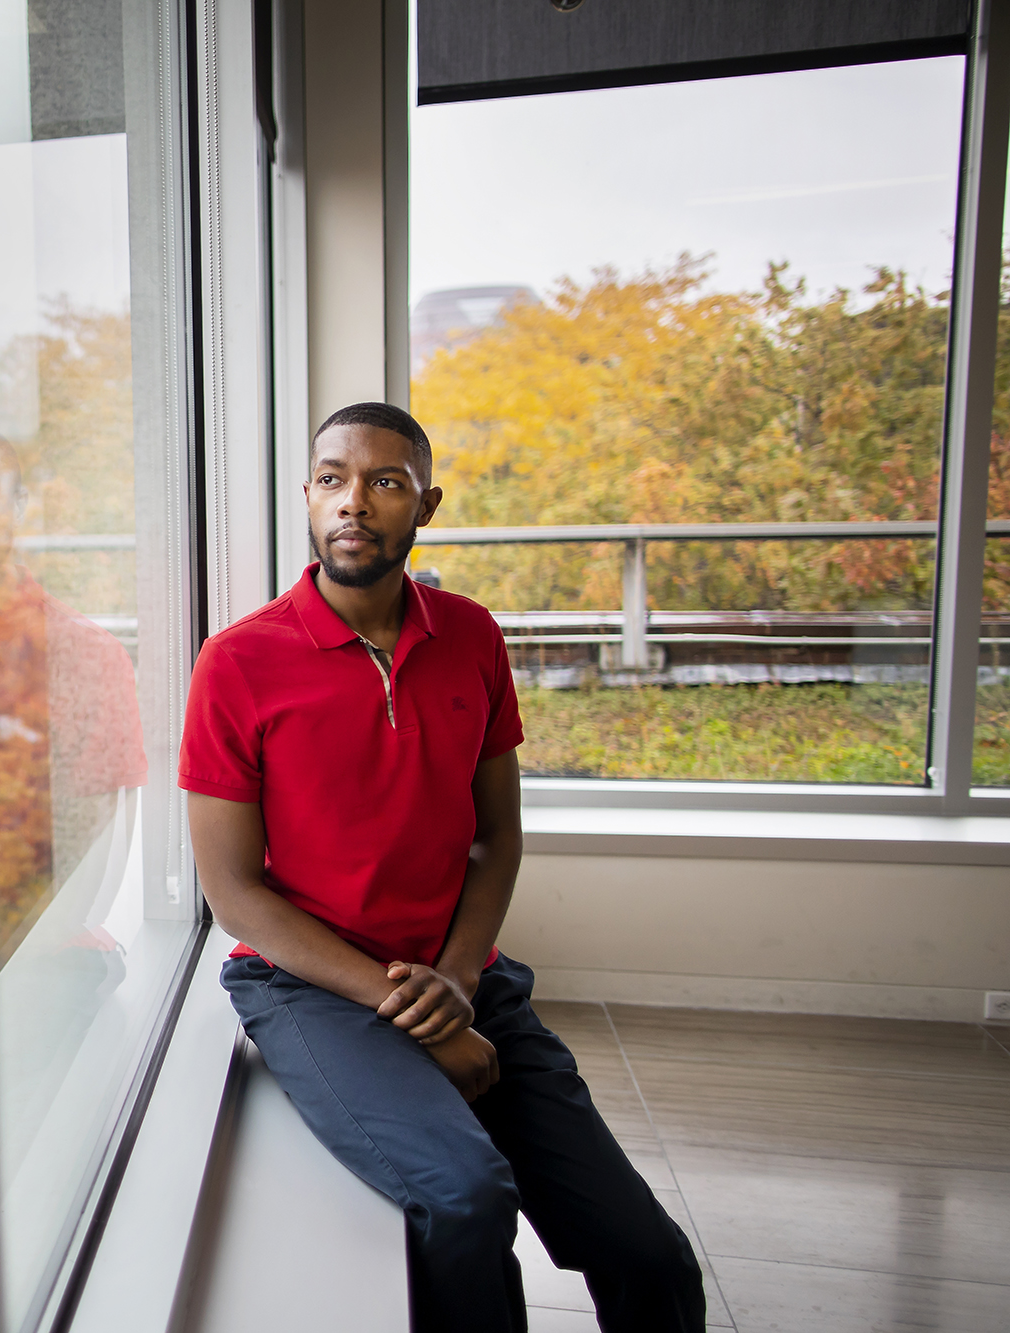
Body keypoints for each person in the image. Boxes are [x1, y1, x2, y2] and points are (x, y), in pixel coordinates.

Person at [179, 403, 705, 1332]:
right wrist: (412, 1007)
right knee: (465, 1197)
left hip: (464, 976)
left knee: (648, 1252)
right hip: (309, 985)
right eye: (334, 478)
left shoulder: (471, 634)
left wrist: (458, 983)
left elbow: (497, 837)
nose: (355, 502)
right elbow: (234, 893)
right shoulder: (237, 662)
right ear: (307, 497)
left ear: (426, 505)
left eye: (386, 482)